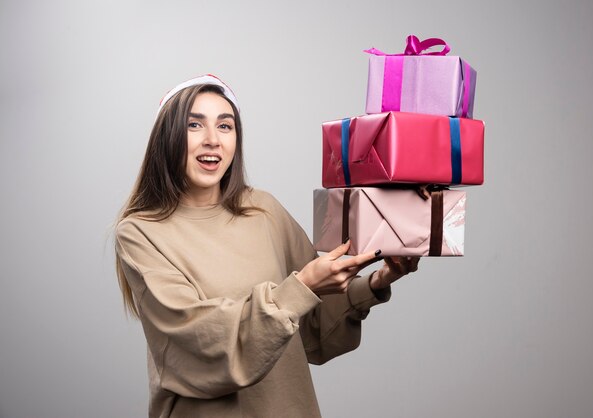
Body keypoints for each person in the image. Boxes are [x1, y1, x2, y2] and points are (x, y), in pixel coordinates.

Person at [114, 74, 419, 418]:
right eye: (194, 125)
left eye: (225, 126)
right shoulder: (140, 232)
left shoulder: (264, 209)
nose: (213, 140)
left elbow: (315, 326)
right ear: (167, 137)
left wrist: (379, 279)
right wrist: (301, 287)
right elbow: (197, 341)